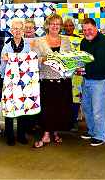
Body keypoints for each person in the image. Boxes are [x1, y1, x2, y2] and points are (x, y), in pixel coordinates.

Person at [32, 14, 73, 148]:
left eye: (58, 24)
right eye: (53, 23)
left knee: (60, 109)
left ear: (61, 26)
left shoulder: (66, 40)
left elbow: (70, 58)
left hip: (63, 80)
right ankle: (46, 133)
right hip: (46, 80)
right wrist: (43, 60)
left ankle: (55, 132)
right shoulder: (39, 41)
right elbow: (33, 59)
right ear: (47, 25)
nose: (55, 26)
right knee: (47, 109)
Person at [80, 18, 105, 146]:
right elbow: (83, 59)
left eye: (90, 29)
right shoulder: (84, 42)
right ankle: (92, 130)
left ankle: (100, 135)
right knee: (86, 106)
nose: (87, 32)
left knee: (98, 109)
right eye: (84, 30)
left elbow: (101, 65)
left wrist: (82, 69)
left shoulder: (103, 43)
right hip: (87, 78)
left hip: (100, 79)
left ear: (96, 28)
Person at [0, 18, 31, 146]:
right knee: (9, 108)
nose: (17, 31)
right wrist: (5, 60)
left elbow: (31, 65)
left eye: (19, 28)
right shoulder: (6, 46)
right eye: (14, 29)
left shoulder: (29, 46)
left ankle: (21, 134)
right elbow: (2, 68)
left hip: (24, 82)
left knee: (22, 108)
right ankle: (9, 135)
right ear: (11, 31)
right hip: (10, 82)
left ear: (23, 30)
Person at [63, 18, 83, 132]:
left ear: (74, 27)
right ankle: (65, 120)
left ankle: (74, 120)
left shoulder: (80, 39)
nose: (69, 28)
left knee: (76, 97)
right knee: (64, 97)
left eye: (71, 25)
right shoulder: (60, 38)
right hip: (64, 73)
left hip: (76, 74)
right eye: (66, 26)